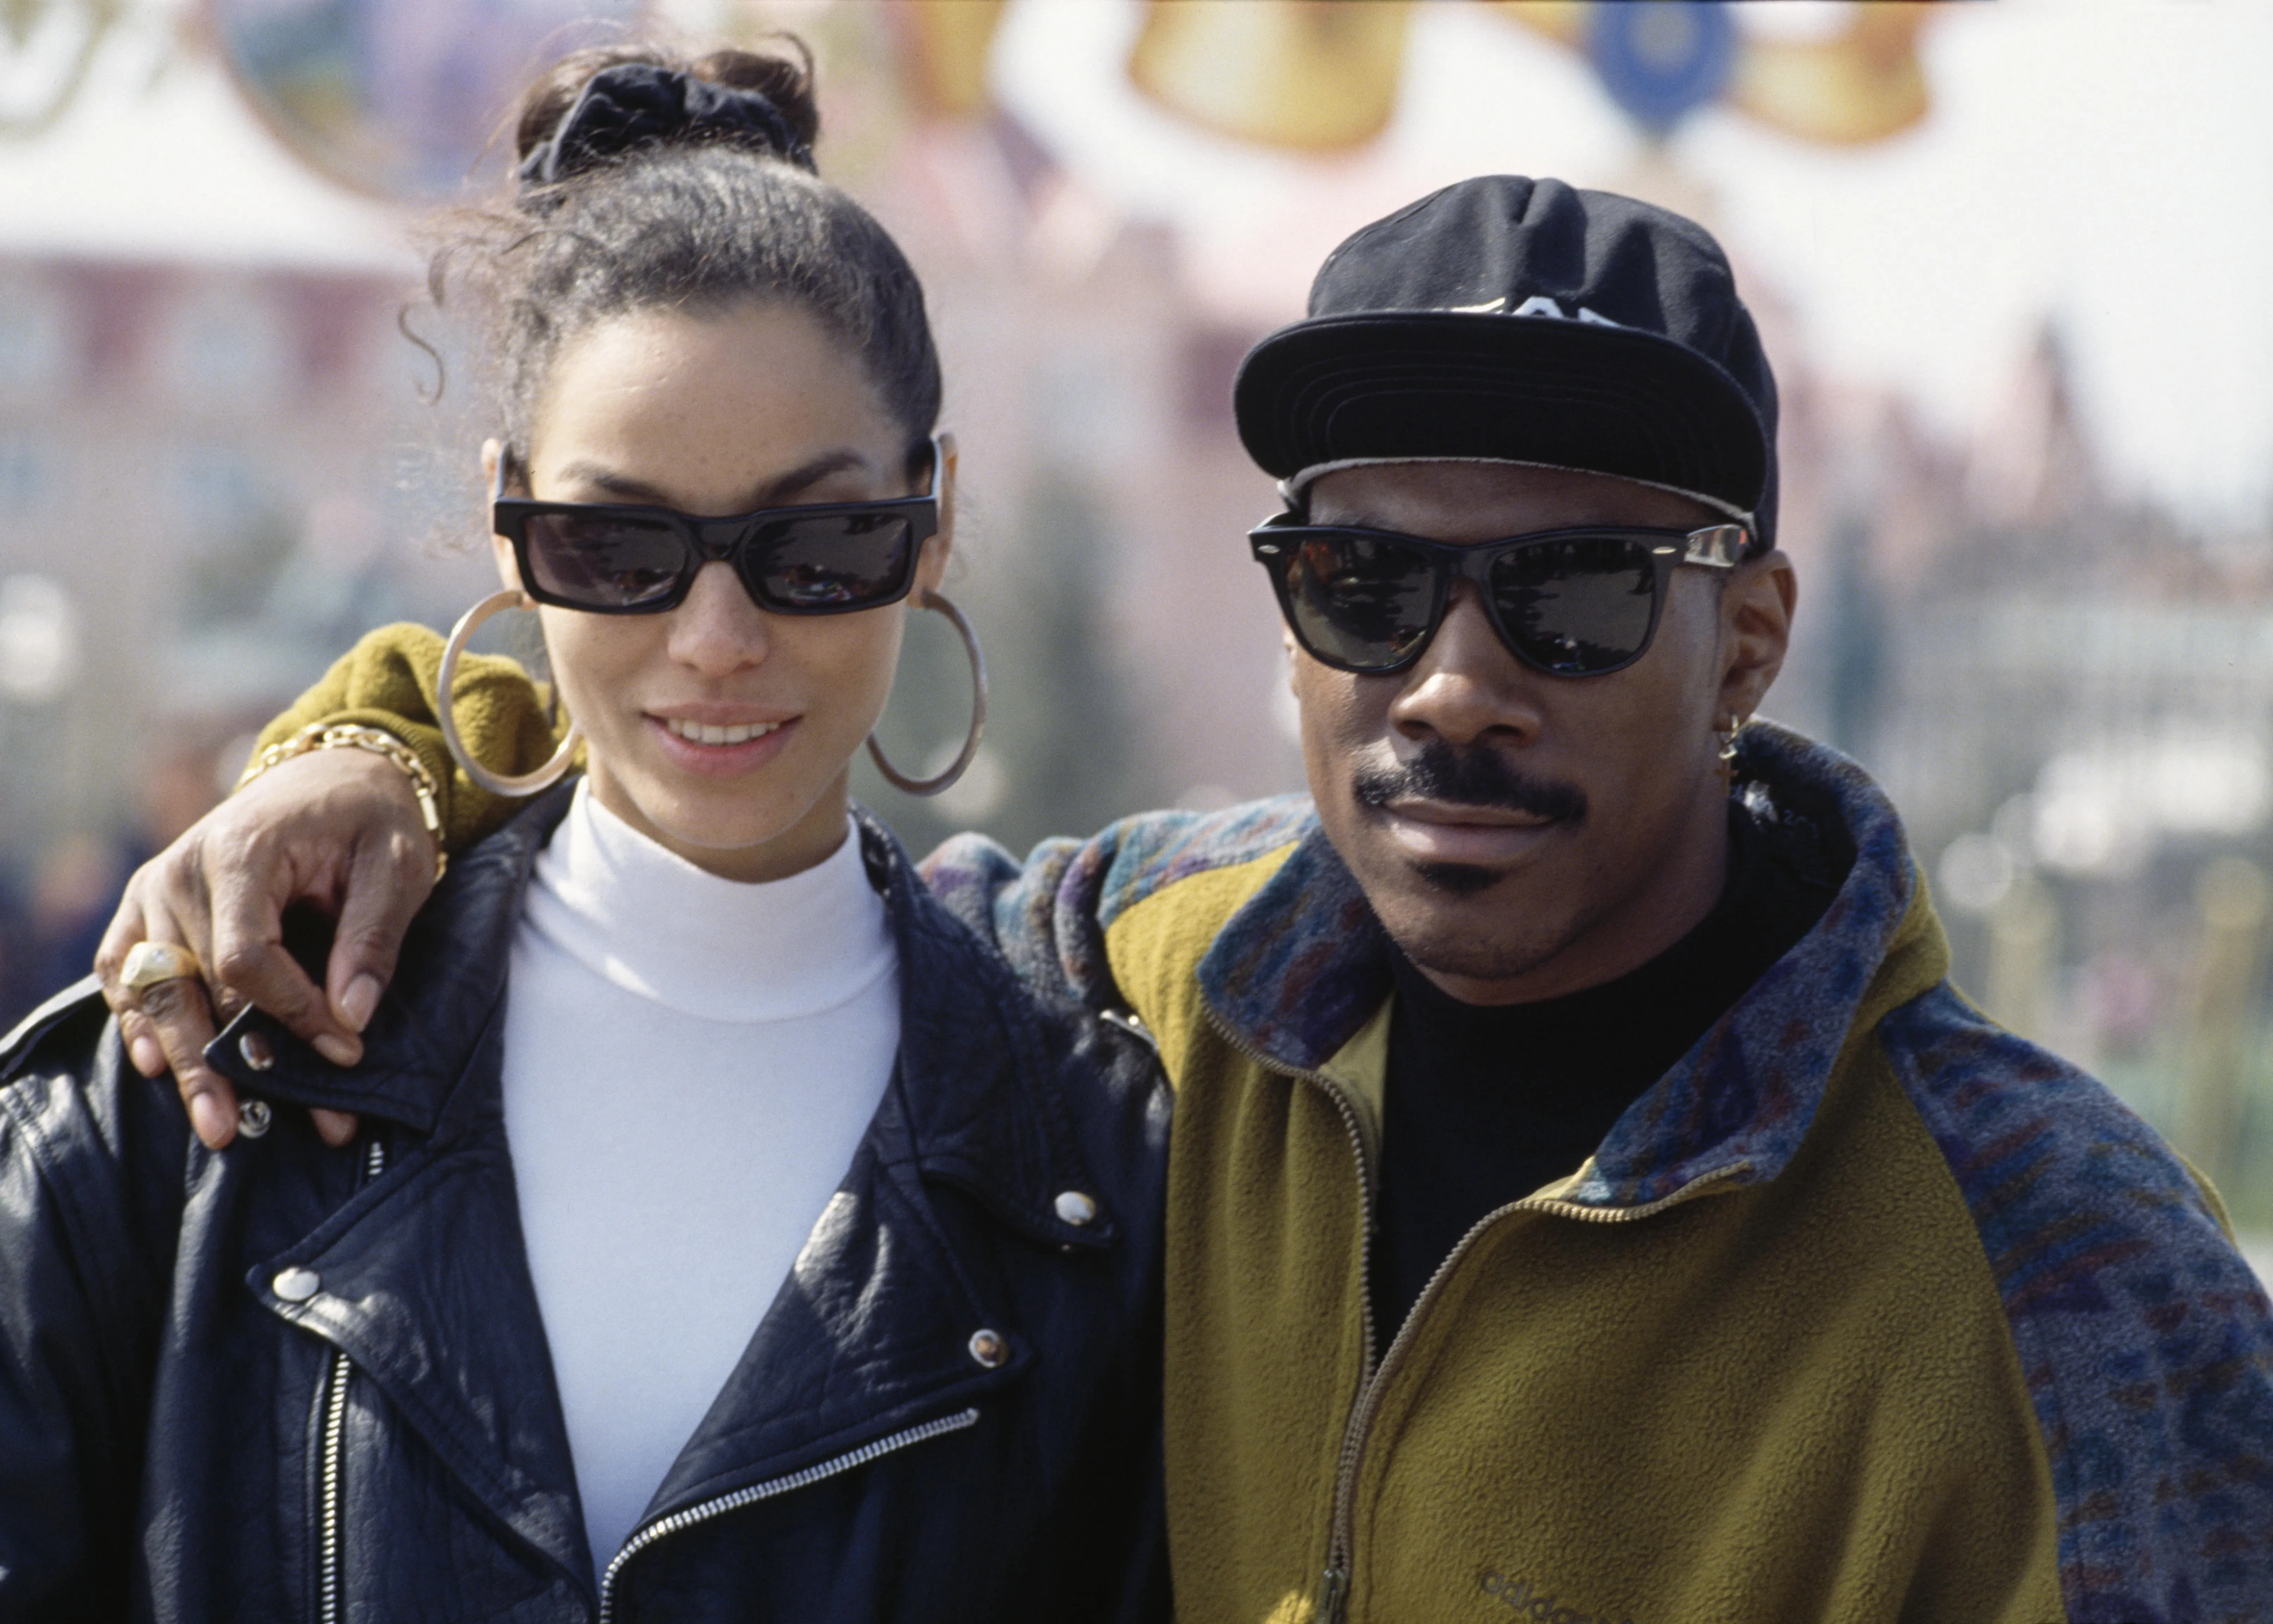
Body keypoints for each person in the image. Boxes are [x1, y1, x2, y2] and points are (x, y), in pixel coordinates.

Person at [97, 179, 2273, 1620]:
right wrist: (365, 748)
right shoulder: (1178, 971)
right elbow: (713, 817)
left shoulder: (2056, 1268)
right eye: (1360, 582)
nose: (1449, 680)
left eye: (1575, 595)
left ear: (1755, 638)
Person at [0, 42, 1171, 1622]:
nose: (715, 635)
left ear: (934, 514)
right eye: (615, 542)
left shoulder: (1093, 1165)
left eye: (816, 542)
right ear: (510, 517)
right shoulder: (204, 1070)